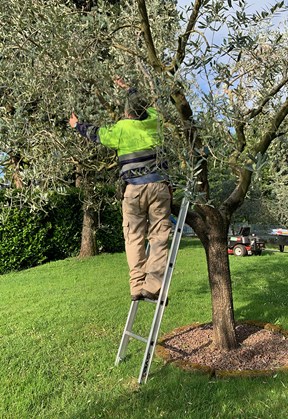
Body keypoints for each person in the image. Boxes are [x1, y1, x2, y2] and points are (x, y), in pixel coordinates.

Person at [69, 78, 171, 301]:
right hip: (158, 186)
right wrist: (130, 90)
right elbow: (147, 107)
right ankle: (153, 286)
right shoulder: (155, 121)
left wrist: (78, 126)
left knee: (133, 238)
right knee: (159, 237)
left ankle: (136, 287)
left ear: (127, 113)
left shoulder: (121, 129)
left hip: (133, 190)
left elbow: (98, 134)